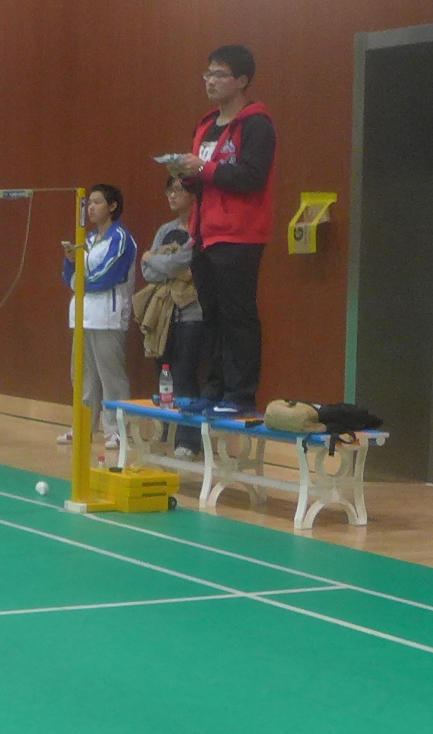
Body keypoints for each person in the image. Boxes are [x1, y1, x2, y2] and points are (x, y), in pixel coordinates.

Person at [162, 44, 275, 412]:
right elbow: (203, 180)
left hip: (239, 233)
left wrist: (204, 169)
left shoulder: (256, 124)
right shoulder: (206, 125)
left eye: (219, 75)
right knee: (211, 313)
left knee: (237, 315)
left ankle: (240, 394)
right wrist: (186, 175)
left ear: (241, 80)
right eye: (207, 74)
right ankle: (216, 387)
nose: (210, 81)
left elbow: (252, 177)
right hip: (205, 232)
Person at [61, 184, 139, 435]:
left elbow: (107, 276)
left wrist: (79, 281)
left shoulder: (121, 239)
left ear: (112, 206)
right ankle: (84, 426)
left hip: (108, 317)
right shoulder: (87, 239)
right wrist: (70, 261)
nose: (91, 208)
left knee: (111, 377)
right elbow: (69, 277)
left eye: (97, 202)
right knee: (83, 376)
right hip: (82, 316)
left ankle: (116, 431)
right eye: (89, 203)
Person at [139, 174, 203, 455]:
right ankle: (166, 433)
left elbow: (191, 266)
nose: (172, 195)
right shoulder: (165, 229)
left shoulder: (201, 229)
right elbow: (148, 271)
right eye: (169, 190)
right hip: (163, 313)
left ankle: (188, 441)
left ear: (193, 193)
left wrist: (155, 258)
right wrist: (170, 267)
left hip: (192, 313)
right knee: (163, 374)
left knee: (185, 375)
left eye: (178, 190)